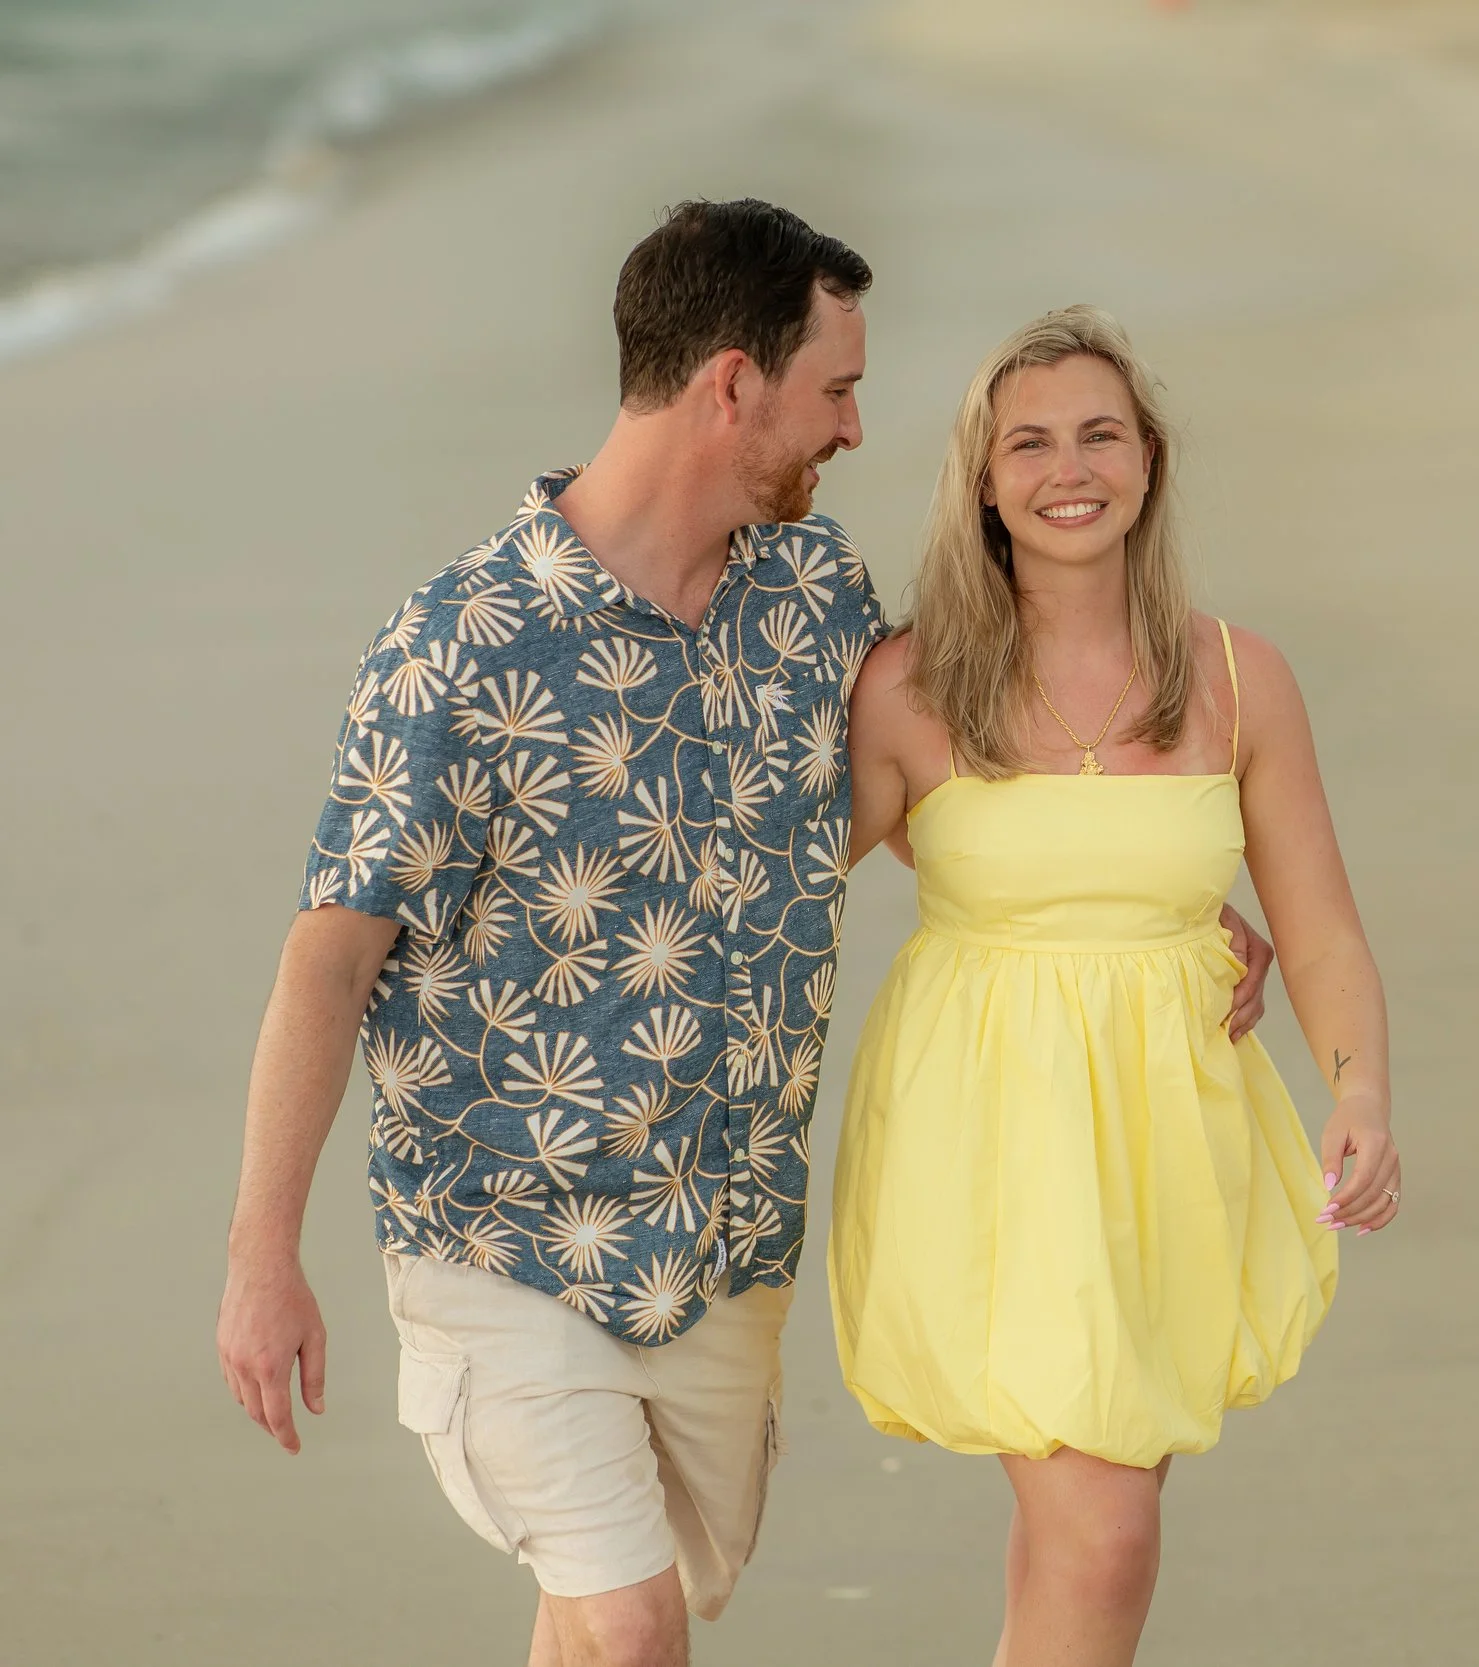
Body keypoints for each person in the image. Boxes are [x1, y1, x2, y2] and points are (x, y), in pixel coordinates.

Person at [214, 205, 1275, 1667]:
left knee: (605, 1619)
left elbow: (950, 778)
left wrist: (1144, 892)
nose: (852, 427)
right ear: (733, 385)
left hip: (720, 1243)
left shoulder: (813, 601)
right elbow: (329, 957)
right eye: (834, 389)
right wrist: (261, 1254)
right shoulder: (461, 642)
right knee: (632, 1620)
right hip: (507, 1226)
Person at [835, 305, 1403, 1667]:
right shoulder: (908, 685)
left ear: (1148, 459)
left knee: (1088, 1527)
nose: (1066, 466)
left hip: (1169, 1136)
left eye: (1099, 432)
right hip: (985, 1140)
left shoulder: (1235, 676)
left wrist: (1361, 1089)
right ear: (982, 480)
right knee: (1105, 1533)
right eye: (1025, 441)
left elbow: (1317, 924)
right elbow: (768, 893)